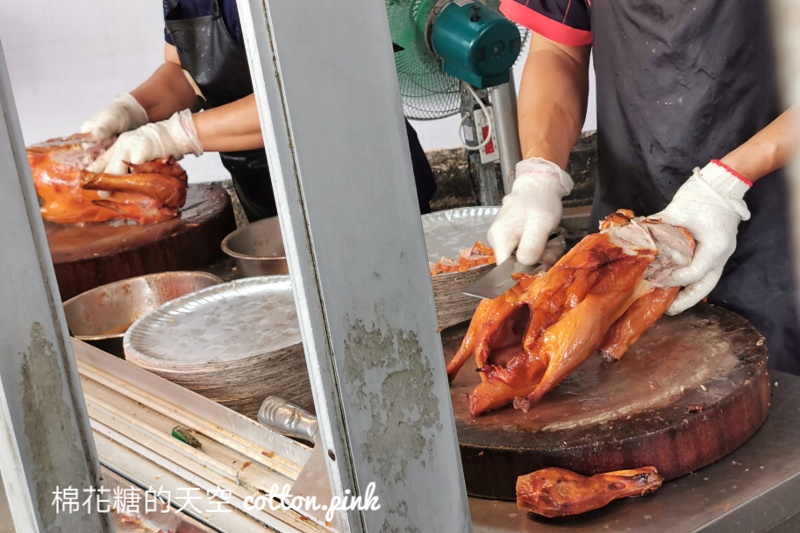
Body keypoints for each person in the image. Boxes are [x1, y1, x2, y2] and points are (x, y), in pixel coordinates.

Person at [487, 1, 800, 374]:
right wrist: (540, 169)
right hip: (628, 230)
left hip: (778, 234)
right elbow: (558, 50)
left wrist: (728, 182)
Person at [81, 0, 437, 222]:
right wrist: (132, 110)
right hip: (266, 195)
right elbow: (184, 71)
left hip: (361, 185)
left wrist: (174, 135)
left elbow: (307, 95)